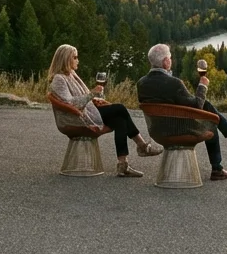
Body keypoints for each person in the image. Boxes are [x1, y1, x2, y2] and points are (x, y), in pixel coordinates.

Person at [136, 44, 227, 181]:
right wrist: (202, 85)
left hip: (157, 131)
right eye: (170, 57)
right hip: (178, 130)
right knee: (210, 123)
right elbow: (197, 105)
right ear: (165, 61)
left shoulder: (141, 83)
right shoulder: (174, 83)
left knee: (208, 106)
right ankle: (217, 168)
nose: (171, 60)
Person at [47, 44, 162, 177]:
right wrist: (92, 94)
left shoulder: (71, 74)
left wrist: (94, 100)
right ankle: (142, 146)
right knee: (120, 109)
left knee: (120, 120)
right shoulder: (59, 79)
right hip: (79, 117)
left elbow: (80, 98)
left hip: (89, 110)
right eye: (75, 57)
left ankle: (123, 164)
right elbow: (69, 102)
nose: (77, 60)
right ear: (66, 59)